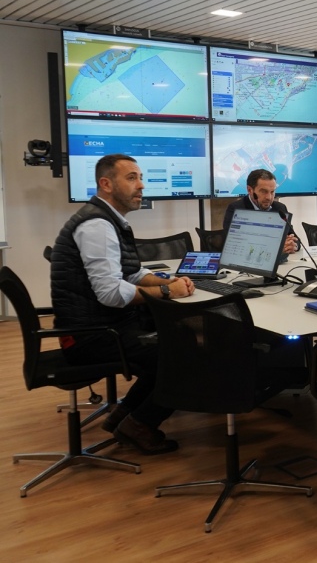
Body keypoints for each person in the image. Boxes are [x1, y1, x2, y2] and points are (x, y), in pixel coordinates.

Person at [50, 154, 196, 455]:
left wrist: (168, 282)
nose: (141, 185)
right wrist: (170, 294)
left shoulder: (107, 220)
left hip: (99, 327)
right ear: (106, 184)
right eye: (131, 178)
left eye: (140, 177)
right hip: (93, 336)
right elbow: (111, 294)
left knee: (176, 342)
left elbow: (131, 272)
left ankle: (123, 417)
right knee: (185, 354)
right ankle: (139, 425)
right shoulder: (97, 226)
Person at [222, 169, 298, 256]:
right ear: (250, 190)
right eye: (263, 192)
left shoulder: (280, 208)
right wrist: (277, 247)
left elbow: (294, 238)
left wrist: (293, 245)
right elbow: (234, 244)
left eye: (272, 192)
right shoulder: (236, 209)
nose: (269, 197)